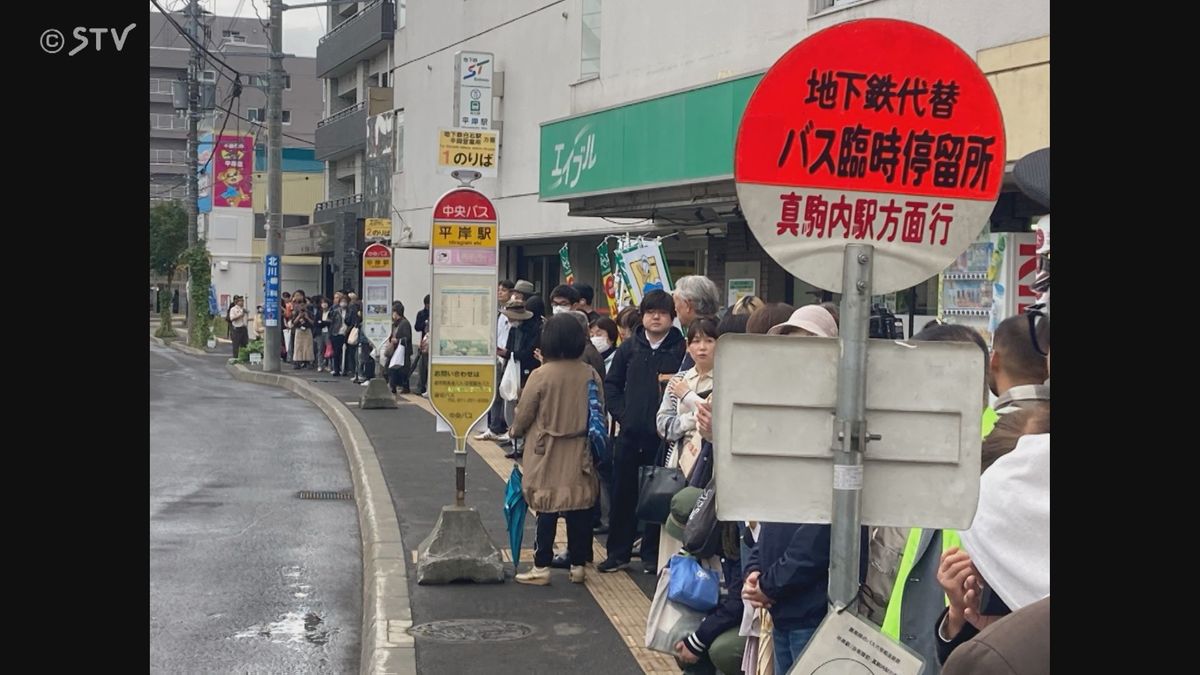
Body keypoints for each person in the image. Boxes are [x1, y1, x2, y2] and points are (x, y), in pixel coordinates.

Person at [510, 314, 603, 586]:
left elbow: (524, 415)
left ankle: (541, 566)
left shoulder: (541, 375)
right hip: (580, 450)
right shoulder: (590, 373)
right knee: (577, 507)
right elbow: (600, 412)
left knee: (546, 507)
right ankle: (577, 566)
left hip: (546, 450)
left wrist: (514, 431)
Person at [598, 289, 687, 575]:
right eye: (650, 312)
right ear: (643, 316)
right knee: (623, 495)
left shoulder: (681, 349)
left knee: (659, 496)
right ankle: (617, 554)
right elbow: (611, 385)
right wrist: (623, 414)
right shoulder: (630, 347)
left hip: (664, 438)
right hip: (629, 435)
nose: (656, 317)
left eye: (662, 313)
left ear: (672, 317)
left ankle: (652, 555)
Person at [388, 302, 413, 395]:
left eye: (393, 312)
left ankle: (403, 387)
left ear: (396, 312)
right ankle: (393, 386)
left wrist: (397, 340)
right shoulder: (395, 324)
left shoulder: (404, 323)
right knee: (393, 368)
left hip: (403, 351)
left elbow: (407, 337)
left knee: (402, 370)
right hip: (396, 350)